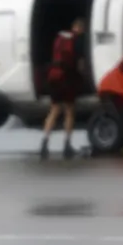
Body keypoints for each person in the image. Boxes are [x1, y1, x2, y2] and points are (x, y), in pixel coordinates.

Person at [40, 17, 87, 159]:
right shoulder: (77, 40)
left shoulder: (60, 38)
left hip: (54, 77)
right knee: (69, 111)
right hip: (67, 78)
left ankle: (44, 144)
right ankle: (67, 145)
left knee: (54, 110)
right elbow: (80, 63)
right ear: (80, 28)